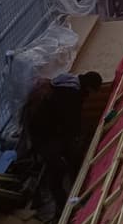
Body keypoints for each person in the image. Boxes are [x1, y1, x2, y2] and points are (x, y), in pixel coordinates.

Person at [22, 71, 102, 215]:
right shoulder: (70, 95)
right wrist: (74, 138)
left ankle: (79, 190)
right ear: (89, 87)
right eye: (92, 91)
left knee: (73, 158)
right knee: (57, 168)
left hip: (51, 130)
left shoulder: (70, 86)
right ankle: (62, 209)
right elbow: (69, 122)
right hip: (43, 134)